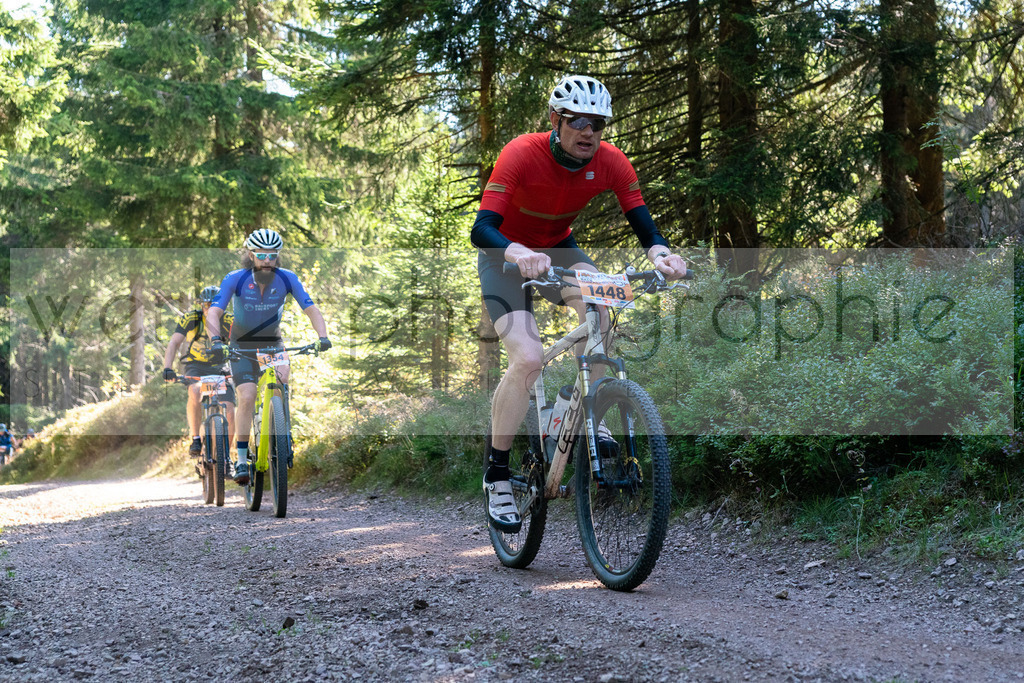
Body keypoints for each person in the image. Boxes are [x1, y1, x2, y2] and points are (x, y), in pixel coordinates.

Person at [470, 74, 688, 532]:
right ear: (556, 119)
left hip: (558, 250)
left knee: (600, 309)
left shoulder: (611, 162)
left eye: (598, 124)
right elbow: (482, 228)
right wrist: (517, 253)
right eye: (579, 121)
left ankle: (576, 407)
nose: (589, 132)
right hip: (504, 256)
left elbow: (647, 229)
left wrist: (662, 257)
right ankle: (497, 475)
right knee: (528, 359)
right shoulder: (521, 152)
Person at [205, 229, 331, 486]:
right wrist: (216, 341)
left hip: (273, 344)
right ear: (251, 255)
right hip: (241, 346)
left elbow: (310, 308)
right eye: (261, 255)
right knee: (247, 395)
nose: (267, 260)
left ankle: (282, 434)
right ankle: (241, 458)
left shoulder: (287, 278)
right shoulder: (235, 279)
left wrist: (323, 336)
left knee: (281, 381)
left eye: (272, 255)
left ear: (277, 256)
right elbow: (214, 313)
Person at [163, 286, 237, 462]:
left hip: (220, 366)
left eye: (214, 304)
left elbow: (240, 344)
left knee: (230, 409)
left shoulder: (229, 320)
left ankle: (226, 457)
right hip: (196, 366)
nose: (209, 308)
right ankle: (196, 438)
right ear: (201, 305)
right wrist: (167, 367)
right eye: (206, 304)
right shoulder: (191, 319)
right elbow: (174, 343)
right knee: (195, 391)